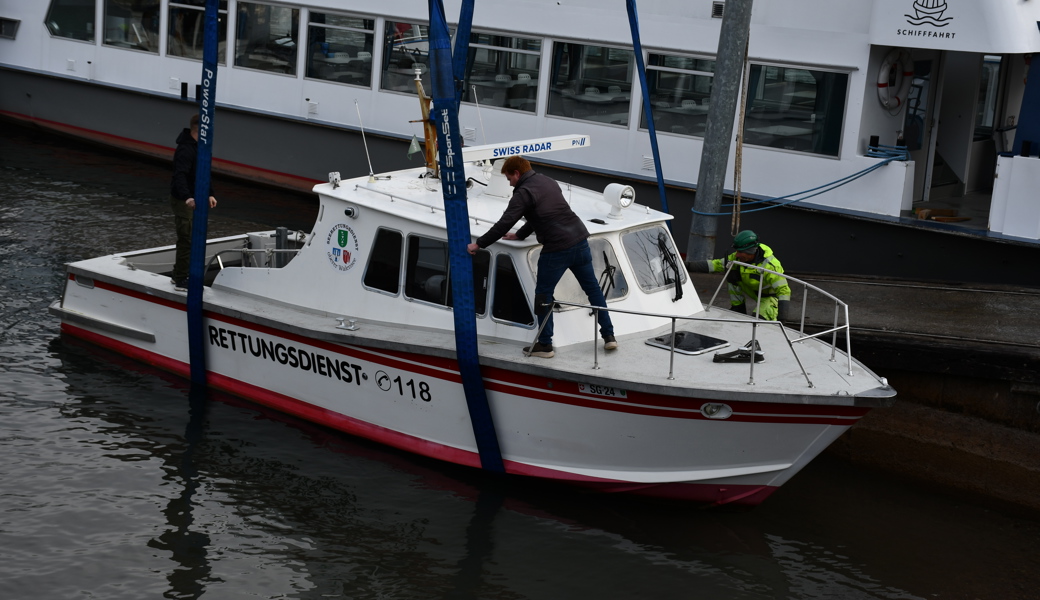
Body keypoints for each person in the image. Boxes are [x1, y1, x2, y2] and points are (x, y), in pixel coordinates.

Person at [467, 156, 616, 358]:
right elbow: (542, 213)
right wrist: (520, 235)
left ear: (517, 173)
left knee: (543, 296)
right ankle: (609, 336)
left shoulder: (523, 192)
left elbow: (504, 223)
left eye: (509, 178)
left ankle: (545, 345)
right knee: (593, 289)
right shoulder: (548, 181)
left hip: (557, 249)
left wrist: (479, 244)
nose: (509, 183)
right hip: (580, 240)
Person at [688, 230, 791, 321]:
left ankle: (767, 316)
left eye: (740, 252)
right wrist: (686, 266)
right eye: (736, 251)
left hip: (770, 297)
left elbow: (784, 291)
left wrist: (782, 318)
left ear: (751, 251)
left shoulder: (770, 266)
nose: (737, 255)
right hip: (753, 290)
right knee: (732, 273)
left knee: (758, 321)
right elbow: (716, 265)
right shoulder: (737, 259)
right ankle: (738, 308)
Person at [170, 114, 217, 291]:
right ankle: (181, 279)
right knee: (187, 239)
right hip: (184, 201)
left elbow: (204, 171)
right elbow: (179, 175)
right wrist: (187, 197)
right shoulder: (186, 150)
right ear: (200, 129)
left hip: (196, 198)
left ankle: (179, 273)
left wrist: (209, 194)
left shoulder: (200, 147)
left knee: (192, 237)